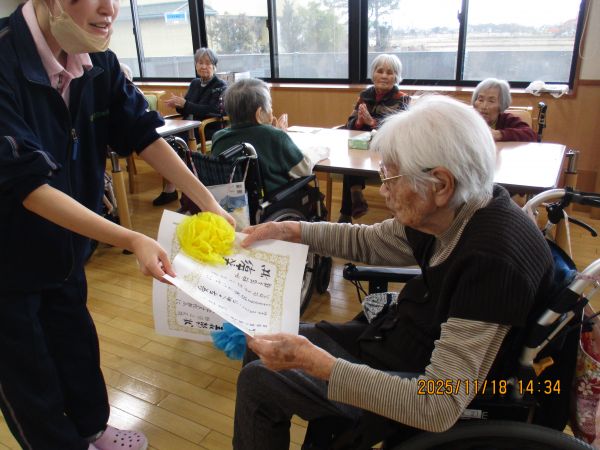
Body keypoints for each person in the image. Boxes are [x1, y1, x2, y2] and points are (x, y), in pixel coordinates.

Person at [232, 95, 555, 449]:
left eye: (390, 177)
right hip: (398, 341)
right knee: (263, 343)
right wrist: (288, 230)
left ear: (441, 184)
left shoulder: (492, 261)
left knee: (258, 382)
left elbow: (439, 403)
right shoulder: (458, 208)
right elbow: (369, 242)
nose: (383, 189)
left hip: (415, 381)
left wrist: (319, 365)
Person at [0, 1, 234, 449]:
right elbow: (25, 183)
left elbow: (143, 134)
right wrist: (131, 237)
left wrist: (208, 203)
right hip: (8, 257)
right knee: (28, 375)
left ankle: (92, 429)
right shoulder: (5, 60)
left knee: (75, 344)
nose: (110, 9)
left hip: (67, 247)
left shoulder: (98, 63)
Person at [339, 54, 411, 224]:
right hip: (362, 149)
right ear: (373, 74)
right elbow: (349, 124)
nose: (384, 76)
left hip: (387, 151)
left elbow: (400, 130)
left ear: (396, 77)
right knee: (350, 158)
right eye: (380, 71)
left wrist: (372, 122)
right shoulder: (365, 95)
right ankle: (350, 207)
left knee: (355, 158)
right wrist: (358, 121)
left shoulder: (402, 99)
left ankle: (355, 194)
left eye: (390, 72)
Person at [211, 78, 313, 194]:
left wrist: (273, 131)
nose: (272, 110)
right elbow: (305, 169)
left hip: (232, 202)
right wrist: (280, 134)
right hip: (273, 201)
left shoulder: (218, 137)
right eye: (270, 106)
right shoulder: (275, 136)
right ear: (259, 114)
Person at [154, 47, 228, 206]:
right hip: (189, 128)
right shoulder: (195, 83)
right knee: (165, 144)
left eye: (208, 63)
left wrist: (185, 104)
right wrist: (178, 105)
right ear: (195, 65)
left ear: (215, 66)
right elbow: (187, 108)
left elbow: (213, 110)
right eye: (200, 63)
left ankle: (186, 192)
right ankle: (171, 189)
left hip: (207, 129)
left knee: (176, 145)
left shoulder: (220, 85)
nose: (203, 66)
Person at [472, 78, 537, 142]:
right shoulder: (469, 118)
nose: (484, 106)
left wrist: (499, 134)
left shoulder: (506, 120)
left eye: (491, 101)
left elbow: (531, 135)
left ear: (502, 105)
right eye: (480, 100)